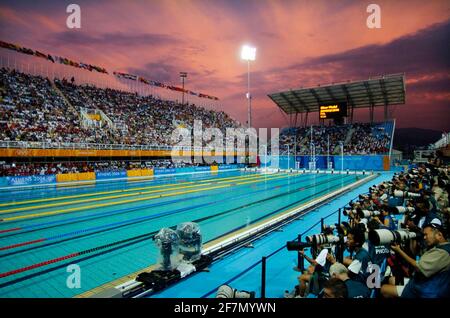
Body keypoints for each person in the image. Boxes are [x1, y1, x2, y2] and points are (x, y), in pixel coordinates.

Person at [381, 219, 450, 298]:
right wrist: (413, 240)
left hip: (422, 291)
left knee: (384, 289)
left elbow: (418, 266)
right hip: (420, 282)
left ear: (439, 235)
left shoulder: (442, 253)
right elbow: (414, 254)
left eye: (426, 234)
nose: (424, 237)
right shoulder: (440, 247)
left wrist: (399, 251)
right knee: (392, 280)